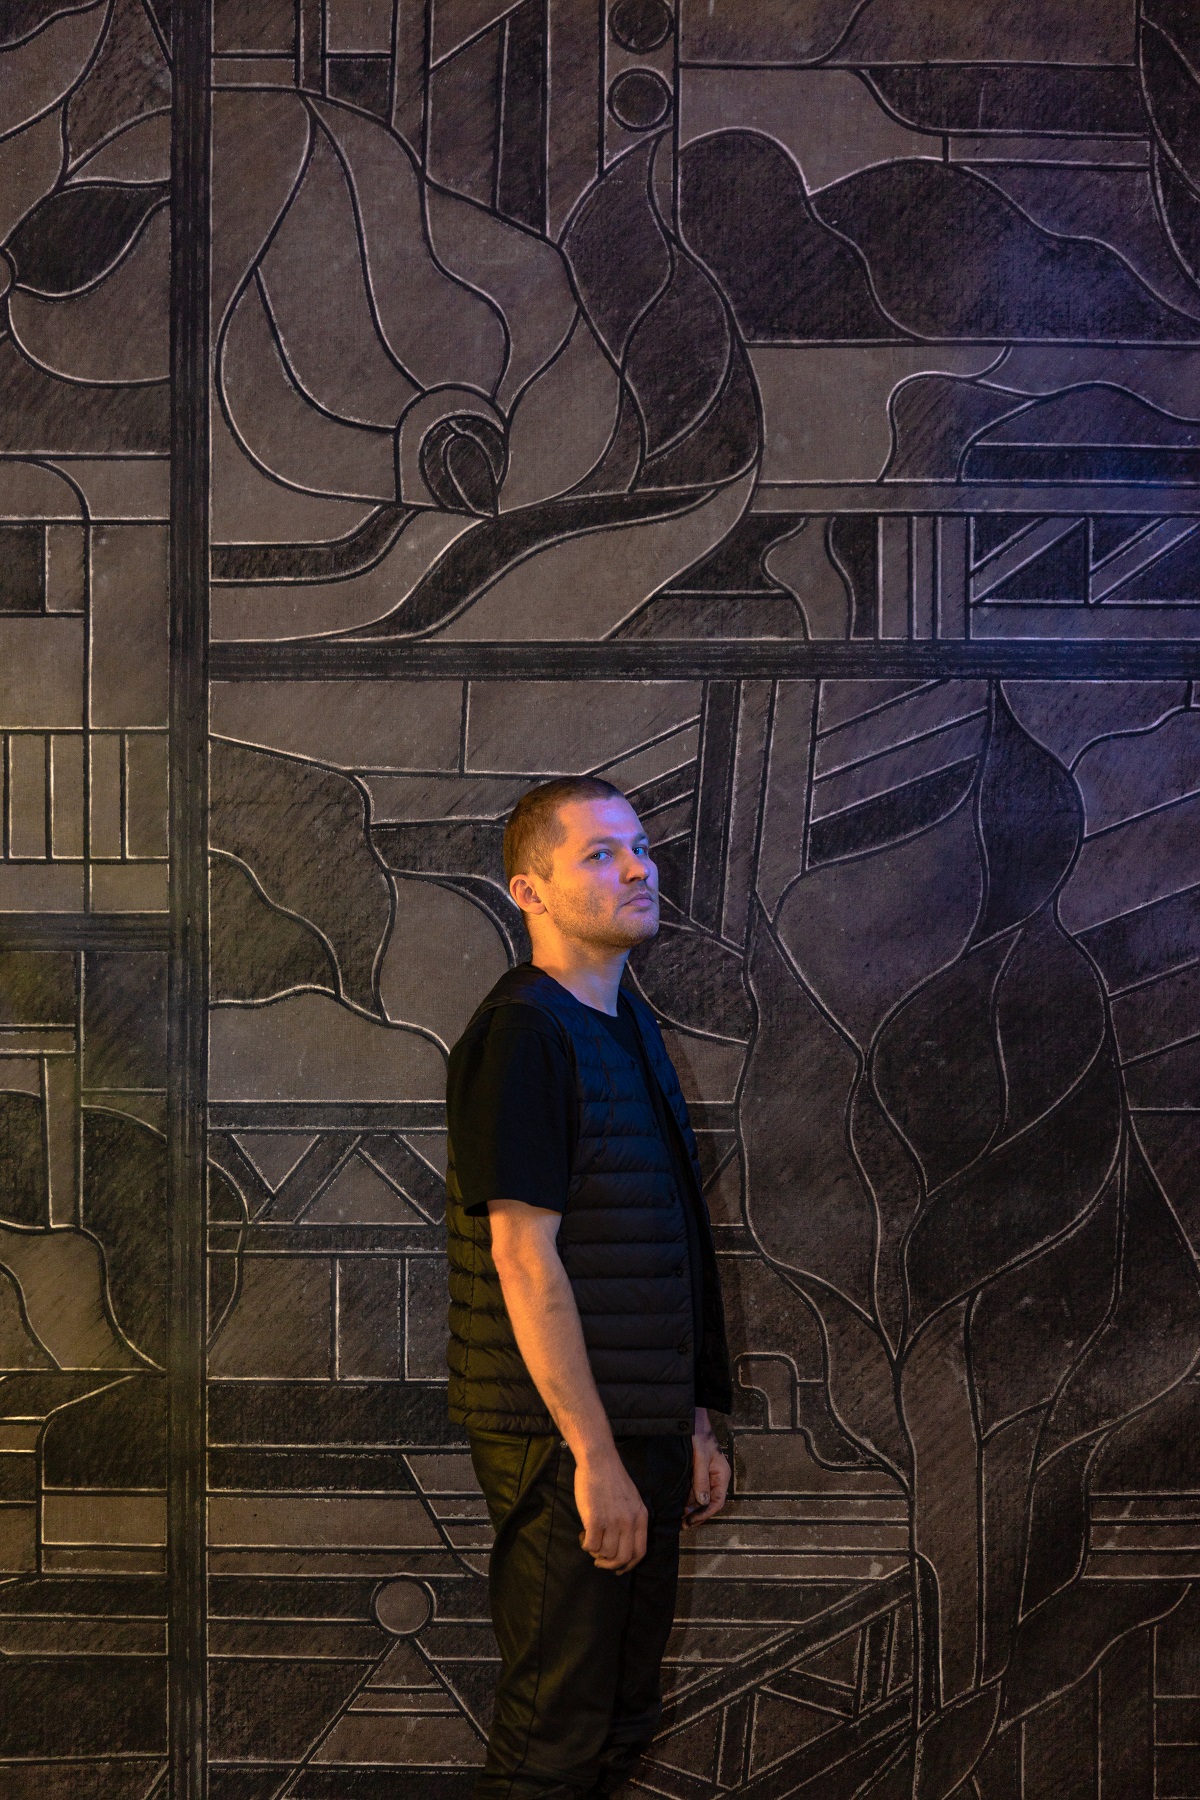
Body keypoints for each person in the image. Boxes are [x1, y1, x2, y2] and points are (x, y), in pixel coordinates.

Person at [445, 775, 733, 1800]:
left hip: (636, 1427)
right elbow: (524, 1260)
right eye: (600, 854)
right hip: (562, 1440)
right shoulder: (523, 1034)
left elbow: (666, 1239)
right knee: (556, 1736)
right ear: (529, 891)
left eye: (640, 847)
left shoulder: (627, 1025)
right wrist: (597, 1458)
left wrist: (689, 1421)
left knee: (618, 1718)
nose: (638, 869)